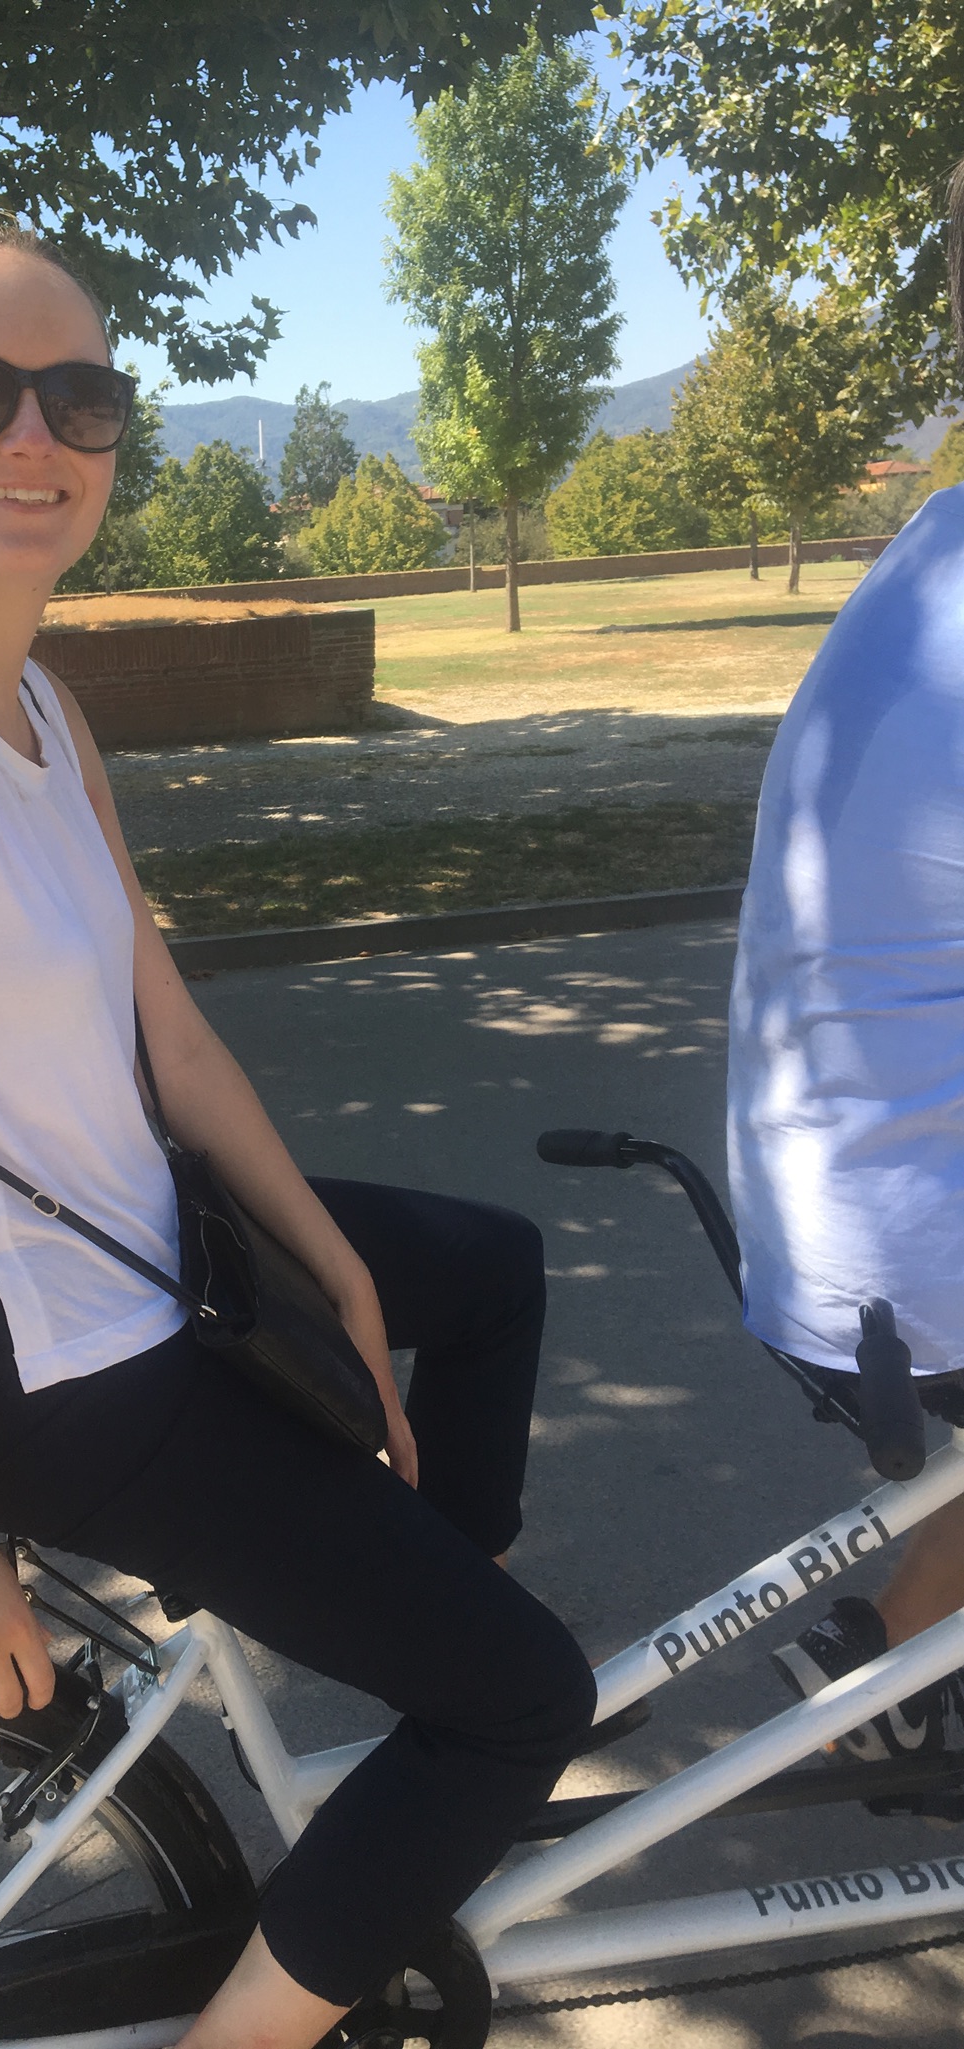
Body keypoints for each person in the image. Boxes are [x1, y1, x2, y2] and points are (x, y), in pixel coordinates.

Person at [0, 214, 594, 2046]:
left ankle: (418, 1633)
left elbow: (165, 1029)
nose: (33, 435)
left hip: (131, 1250)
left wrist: (328, 1260)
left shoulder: (35, 702)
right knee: (521, 1703)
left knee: (483, 1274)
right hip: (32, 1361)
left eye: (78, 398)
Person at [726, 163, 964, 1768]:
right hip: (905, 1238)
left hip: (831, 1195)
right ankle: (887, 1671)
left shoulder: (929, 543)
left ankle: (886, 1658)